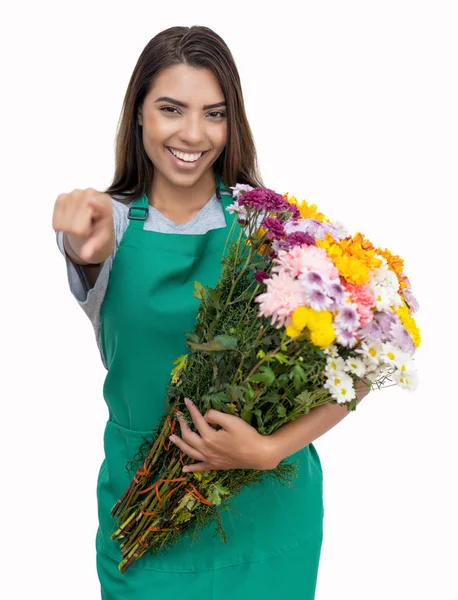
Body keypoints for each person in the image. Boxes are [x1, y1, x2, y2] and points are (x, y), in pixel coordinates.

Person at [53, 25, 369, 600]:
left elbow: (360, 370)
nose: (193, 134)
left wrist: (269, 449)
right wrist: (78, 239)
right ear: (139, 115)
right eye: (171, 109)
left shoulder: (269, 227)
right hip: (144, 516)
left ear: (232, 122)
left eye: (214, 114)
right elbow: (85, 246)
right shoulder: (109, 225)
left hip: (269, 512)